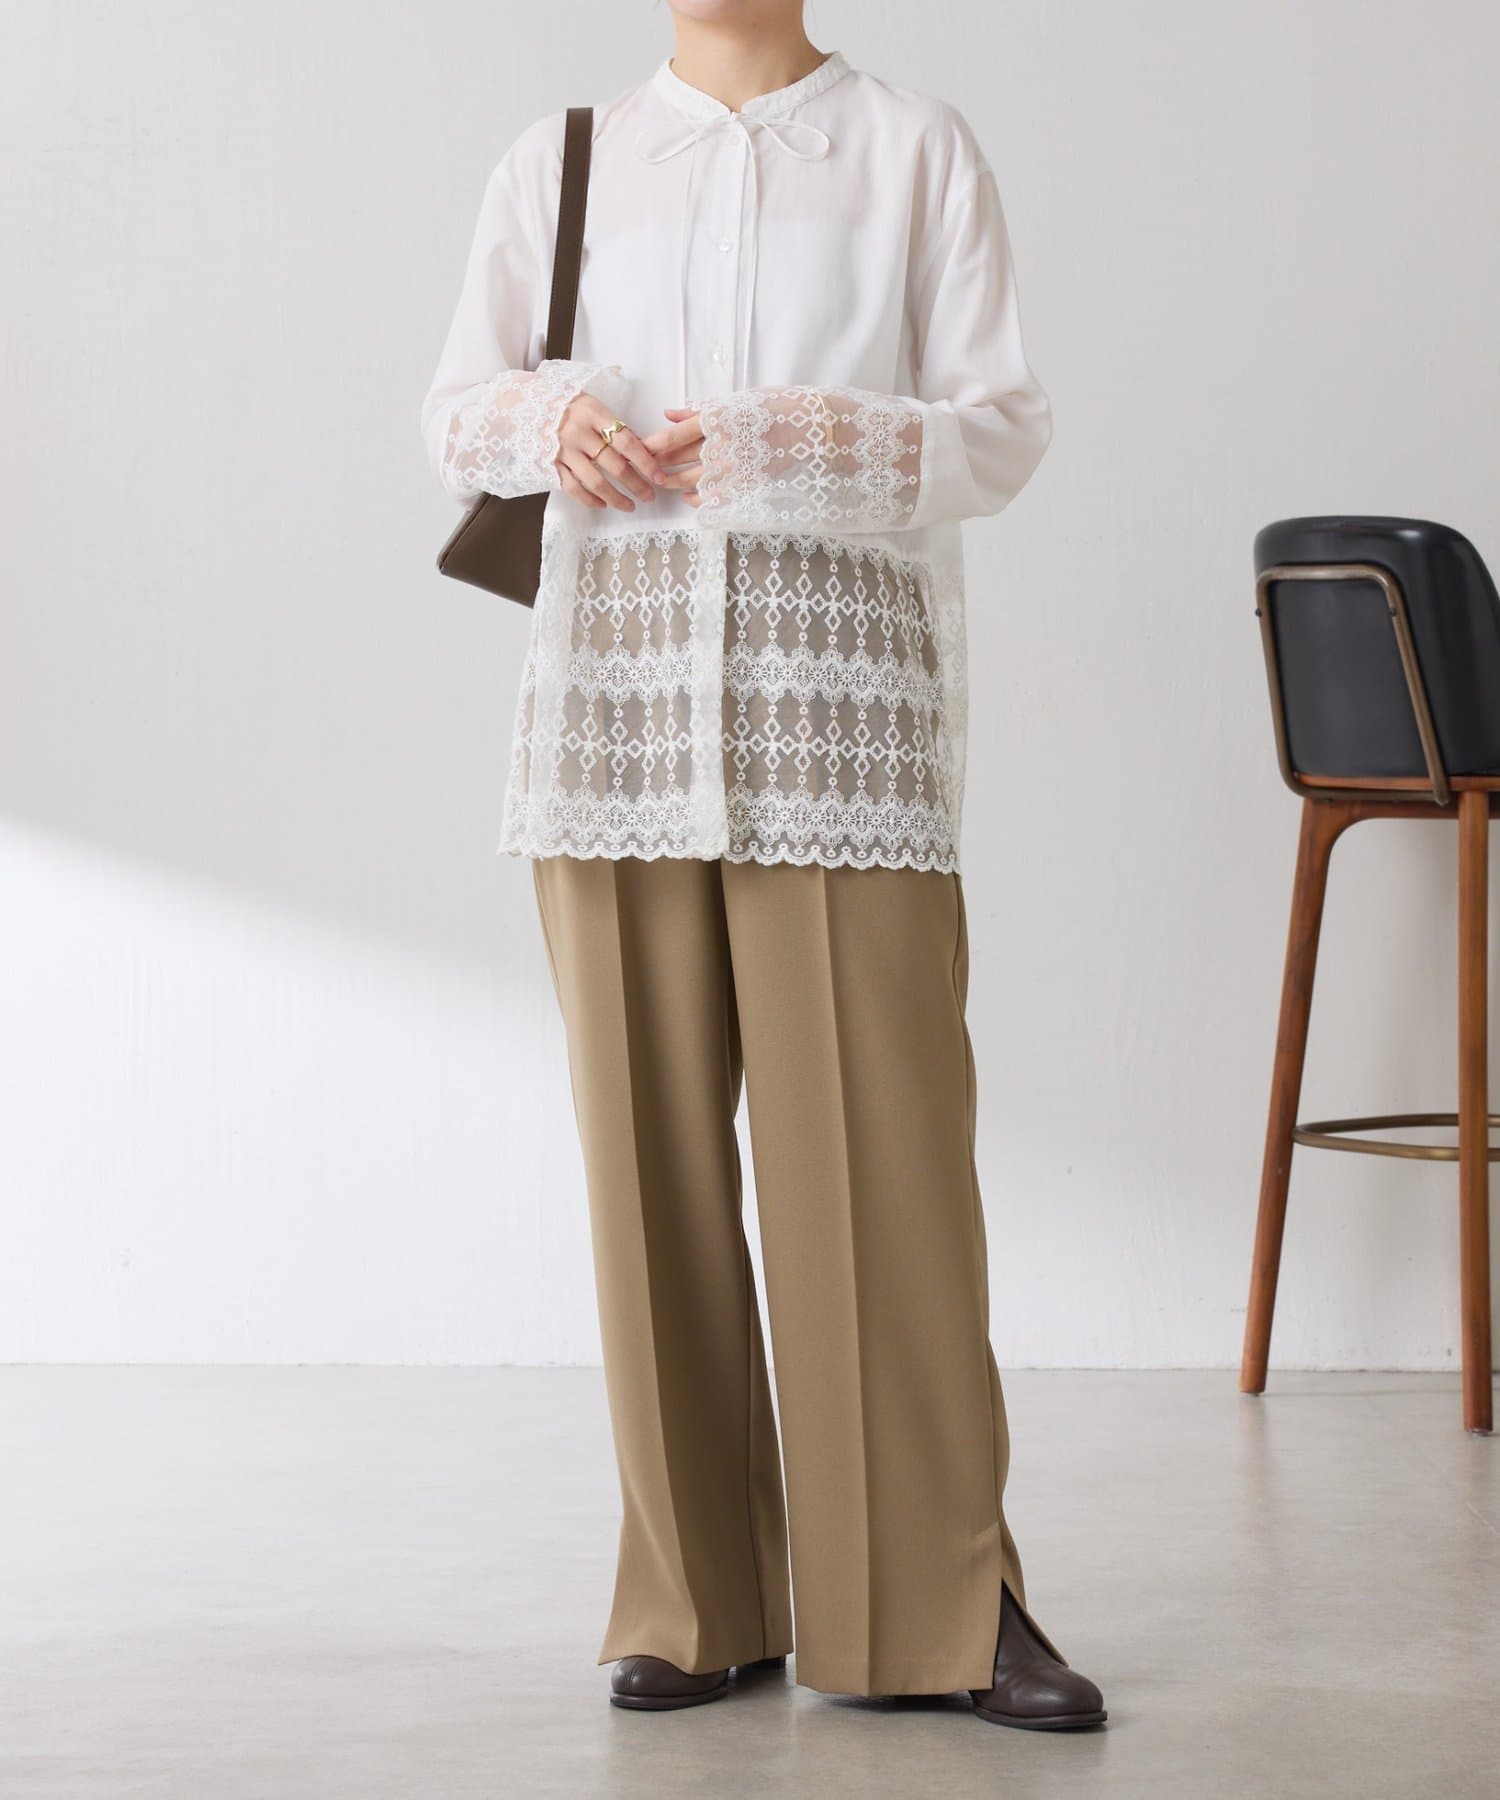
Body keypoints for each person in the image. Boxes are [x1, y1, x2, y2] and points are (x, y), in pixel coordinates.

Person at [421, 0, 1105, 1731]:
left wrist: (810, 442)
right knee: (643, 1170)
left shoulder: (915, 151)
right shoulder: (563, 161)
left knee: (884, 1171)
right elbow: (452, 411)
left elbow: (1003, 427)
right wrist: (550, 426)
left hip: (839, 726)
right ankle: (694, 1599)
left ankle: (939, 1607)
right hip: (618, 725)